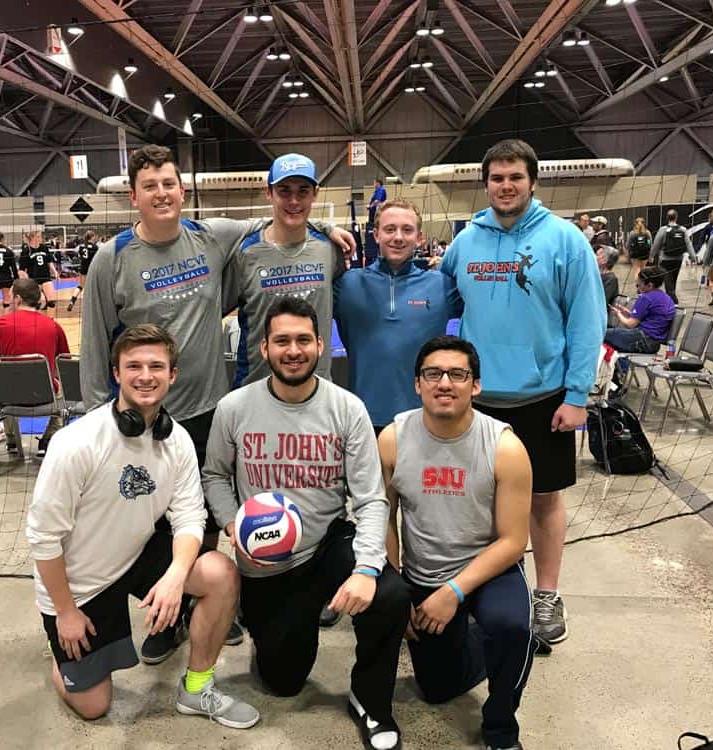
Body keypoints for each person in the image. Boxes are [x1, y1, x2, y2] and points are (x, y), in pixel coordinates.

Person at [81, 144, 352, 642]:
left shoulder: (212, 237)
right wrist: (101, 417)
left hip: (208, 406)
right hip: (143, 412)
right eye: (150, 186)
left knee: (203, 515)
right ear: (133, 197)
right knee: (147, 519)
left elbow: (272, 225)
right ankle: (164, 611)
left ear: (183, 191)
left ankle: (204, 603)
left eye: (169, 184)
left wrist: (324, 232)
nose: (161, 193)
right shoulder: (112, 258)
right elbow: (95, 343)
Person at [26, 324, 259, 727]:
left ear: (173, 375)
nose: (145, 376)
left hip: (134, 554)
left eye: (156, 365)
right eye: (133, 365)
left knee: (220, 573)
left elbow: (189, 516)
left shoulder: (178, 440)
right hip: (80, 580)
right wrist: (64, 612)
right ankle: (61, 653)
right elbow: (44, 538)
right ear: (116, 373)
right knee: (95, 706)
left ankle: (197, 688)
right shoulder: (77, 443)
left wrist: (175, 575)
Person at [202, 297, 409, 750]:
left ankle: (371, 701)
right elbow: (214, 475)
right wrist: (231, 522)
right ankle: (272, 618)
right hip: (266, 559)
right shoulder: (234, 407)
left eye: (302, 340)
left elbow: (371, 498)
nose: (292, 350)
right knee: (283, 681)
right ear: (263, 348)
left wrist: (367, 569)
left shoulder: (346, 408)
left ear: (319, 345)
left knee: (389, 595)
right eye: (281, 341)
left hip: (326, 543)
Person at [440, 138, 606, 648]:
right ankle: (482, 590)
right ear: (485, 183)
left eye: (515, 177)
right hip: (479, 400)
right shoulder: (466, 241)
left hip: (543, 397)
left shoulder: (564, 240)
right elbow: (438, 297)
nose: (506, 186)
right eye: (497, 178)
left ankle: (547, 595)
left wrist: (577, 395)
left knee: (542, 499)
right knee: (475, 504)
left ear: (533, 182)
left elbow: (587, 320)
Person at [380, 335, 533, 750]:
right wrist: (396, 586)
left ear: (475, 385)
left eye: (457, 374)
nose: (444, 383)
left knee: (511, 626)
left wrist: (454, 591)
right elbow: (384, 521)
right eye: (433, 374)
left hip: (487, 570)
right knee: (436, 689)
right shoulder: (393, 439)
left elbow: (514, 541)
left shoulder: (505, 447)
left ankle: (501, 728)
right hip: (424, 570)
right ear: (418, 384)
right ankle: (479, 644)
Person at [334, 199, 462, 434]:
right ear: (376, 235)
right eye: (390, 229)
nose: (398, 237)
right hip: (361, 419)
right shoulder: (347, 285)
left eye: (407, 229)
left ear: (419, 237)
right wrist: (326, 230)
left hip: (426, 418)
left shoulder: (442, 286)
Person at [228, 153, 348, 387]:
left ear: (315, 193)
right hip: (257, 389)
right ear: (268, 193)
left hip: (316, 389)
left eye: (303, 191)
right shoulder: (246, 253)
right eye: (284, 190)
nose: (294, 201)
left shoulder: (330, 249)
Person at [0, 278, 70, 457]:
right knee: (67, 391)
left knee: (4, 383)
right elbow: (63, 363)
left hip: (11, 396)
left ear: (18, 299)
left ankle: (12, 441)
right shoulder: (54, 326)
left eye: (10, 296)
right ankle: (49, 439)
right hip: (46, 395)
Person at [605, 266, 675, 354]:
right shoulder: (666, 297)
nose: (637, 289)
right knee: (614, 338)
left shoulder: (646, 298)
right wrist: (629, 313)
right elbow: (653, 319)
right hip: (654, 344)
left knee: (601, 334)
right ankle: (620, 365)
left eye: (639, 285)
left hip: (643, 341)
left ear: (649, 285)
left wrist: (619, 314)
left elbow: (630, 324)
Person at [650, 209, 695, 304]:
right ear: (676, 217)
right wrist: (693, 257)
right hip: (678, 260)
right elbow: (688, 244)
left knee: (668, 282)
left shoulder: (663, 229)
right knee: (673, 280)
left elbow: (656, 244)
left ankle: (674, 302)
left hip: (665, 260)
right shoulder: (683, 229)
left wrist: (651, 256)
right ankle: (671, 301)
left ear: (667, 218)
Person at [19, 230, 59, 315]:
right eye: (39, 236)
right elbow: (22, 270)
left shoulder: (44, 247)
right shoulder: (26, 251)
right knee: (37, 303)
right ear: (33, 238)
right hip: (33, 279)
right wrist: (26, 280)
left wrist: (55, 272)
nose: (41, 238)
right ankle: (36, 321)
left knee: (51, 301)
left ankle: (50, 322)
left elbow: (49, 261)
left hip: (45, 277)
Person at [67, 230, 98, 312]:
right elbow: (97, 259)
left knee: (80, 286)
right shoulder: (95, 247)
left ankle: (72, 301)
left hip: (83, 268)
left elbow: (76, 253)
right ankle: (90, 306)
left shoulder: (80, 246)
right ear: (92, 237)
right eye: (94, 236)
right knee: (92, 287)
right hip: (91, 269)